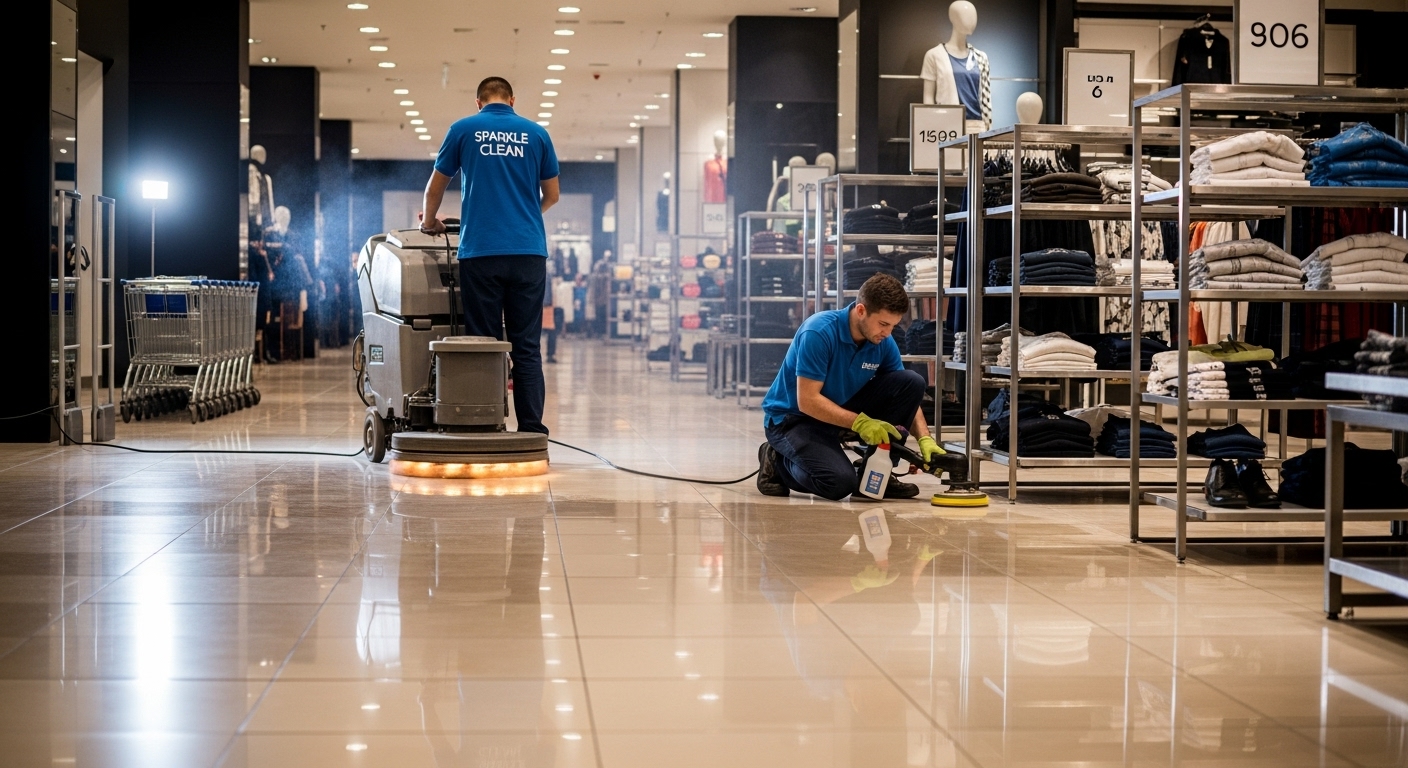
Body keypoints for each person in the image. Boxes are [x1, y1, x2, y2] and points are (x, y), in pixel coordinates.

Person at [420, 76, 561, 435]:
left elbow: (436, 184)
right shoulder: (537, 133)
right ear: (512, 100)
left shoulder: (464, 129)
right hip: (529, 252)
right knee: (527, 345)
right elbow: (553, 194)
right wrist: (524, 217)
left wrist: (430, 222)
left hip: (481, 251)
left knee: (483, 343)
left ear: (478, 102)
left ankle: (484, 423)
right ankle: (531, 428)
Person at [756, 274, 943, 500]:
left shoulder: (882, 341)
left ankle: (879, 471)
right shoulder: (819, 332)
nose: (887, 333)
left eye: (893, 326)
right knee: (838, 483)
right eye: (883, 324)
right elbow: (807, 401)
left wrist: (925, 438)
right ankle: (777, 462)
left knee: (911, 381)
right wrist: (860, 423)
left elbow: (905, 392)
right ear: (861, 311)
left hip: (836, 411)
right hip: (793, 420)